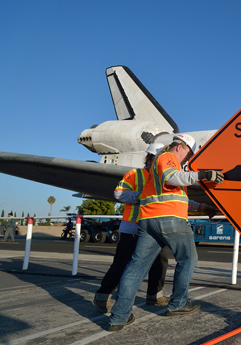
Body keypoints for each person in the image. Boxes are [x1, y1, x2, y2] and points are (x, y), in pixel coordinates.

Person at [108, 134, 224, 331]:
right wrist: (203, 175)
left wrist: (203, 207)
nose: (188, 159)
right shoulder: (167, 157)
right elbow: (173, 178)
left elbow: (174, 198)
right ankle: (178, 304)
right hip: (170, 221)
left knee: (136, 268)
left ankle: (119, 317)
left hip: (148, 222)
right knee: (187, 259)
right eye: (189, 153)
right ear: (181, 147)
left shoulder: (154, 174)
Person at [93, 143, 170, 313]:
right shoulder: (135, 174)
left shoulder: (162, 177)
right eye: (158, 159)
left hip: (154, 228)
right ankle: (102, 296)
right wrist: (141, 196)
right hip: (132, 228)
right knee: (122, 263)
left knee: (160, 262)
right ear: (150, 158)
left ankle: (155, 296)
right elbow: (119, 193)